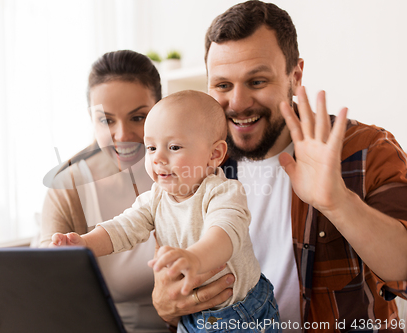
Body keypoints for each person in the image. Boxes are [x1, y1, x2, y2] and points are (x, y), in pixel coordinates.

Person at [0, 51, 234, 333]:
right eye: (106, 120)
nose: (122, 136)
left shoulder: (198, 172)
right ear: (92, 120)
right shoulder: (69, 187)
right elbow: (45, 292)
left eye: (138, 117)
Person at [151, 1, 407, 332]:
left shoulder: (366, 149)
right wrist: (165, 304)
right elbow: (172, 295)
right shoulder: (191, 164)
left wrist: (338, 203)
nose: (239, 103)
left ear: (295, 74)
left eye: (257, 81)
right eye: (223, 85)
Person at [51, 90, 280, 332]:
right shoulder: (155, 198)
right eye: (151, 148)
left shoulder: (224, 192)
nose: (158, 157)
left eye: (173, 146)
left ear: (214, 154)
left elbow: (224, 235)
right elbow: (122, 229)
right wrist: (84, 244)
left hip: (243, 314)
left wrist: (195, 259)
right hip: (191, 314)